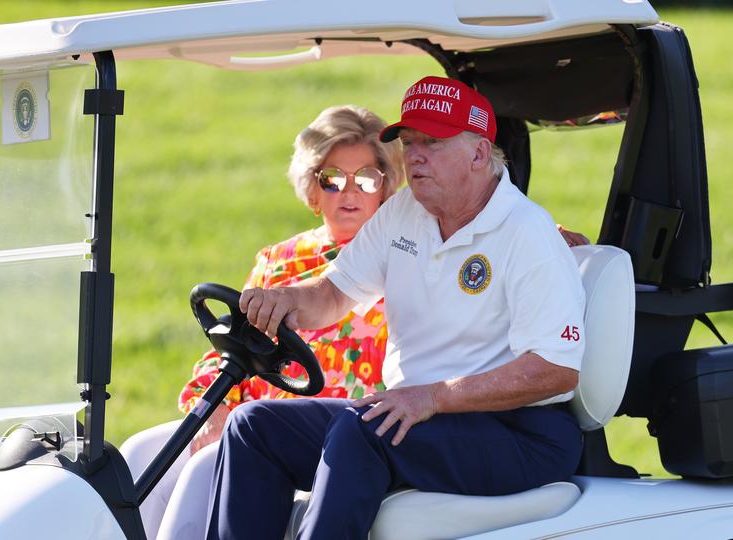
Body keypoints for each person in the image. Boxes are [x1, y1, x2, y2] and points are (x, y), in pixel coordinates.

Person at [207, 76, 587, 540]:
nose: (415, 157)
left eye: (432, 143)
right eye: (409, 143)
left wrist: (433, 396)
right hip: (423, 418)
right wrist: (284, 299)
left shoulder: (527, 232)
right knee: (253, 426)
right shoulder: (405, 210)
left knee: (363, 430)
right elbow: (334, 293)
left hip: (521, 435)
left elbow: (555, 370)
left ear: (479, 153)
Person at [120, 104, 405, 540]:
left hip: (335, 435)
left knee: (203, 469)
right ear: (313, 190)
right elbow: (231, 345)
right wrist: (214, 407)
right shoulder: (279, 261)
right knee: (140, 455)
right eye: (333, 179)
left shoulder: (402, 254)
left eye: (367, 178)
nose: (351, 191)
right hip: (253, 418)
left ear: (385, 188)